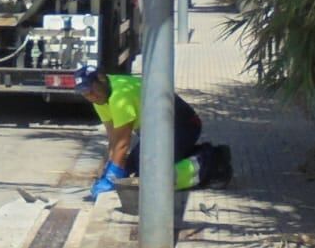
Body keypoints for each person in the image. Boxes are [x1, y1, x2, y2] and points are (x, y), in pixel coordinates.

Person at [73, 65, 230, 199]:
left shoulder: (119, 97)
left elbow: (122, 143)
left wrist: (111, 178)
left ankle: (212, 162)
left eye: (91, 91)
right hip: (156, 133)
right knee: (129, 167)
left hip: (183, 125)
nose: (90, 97)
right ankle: (191, 154)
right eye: (84, 93)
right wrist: (109, 169)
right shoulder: (100, 98)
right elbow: (113, 137)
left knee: (151, 178)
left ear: (101, 79)